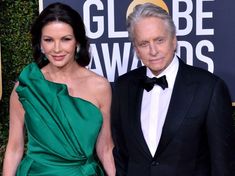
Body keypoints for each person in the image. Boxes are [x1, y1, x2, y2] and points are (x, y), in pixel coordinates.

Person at [111, 3, 235, 176]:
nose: (153, 51)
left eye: (159, 40)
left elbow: (222, 164)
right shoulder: (123, 86)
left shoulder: (209, 88)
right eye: (144, 43)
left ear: (174, 40)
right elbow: (121, 155)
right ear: (136, 49)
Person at [3, 2, 115, 176]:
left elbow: (105, 147)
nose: (57, 49)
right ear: (40, 43)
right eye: (48, 40)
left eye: (65, 39)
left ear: (77, 41)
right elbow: (14, 148)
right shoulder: (27, 86)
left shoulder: (100, 86)